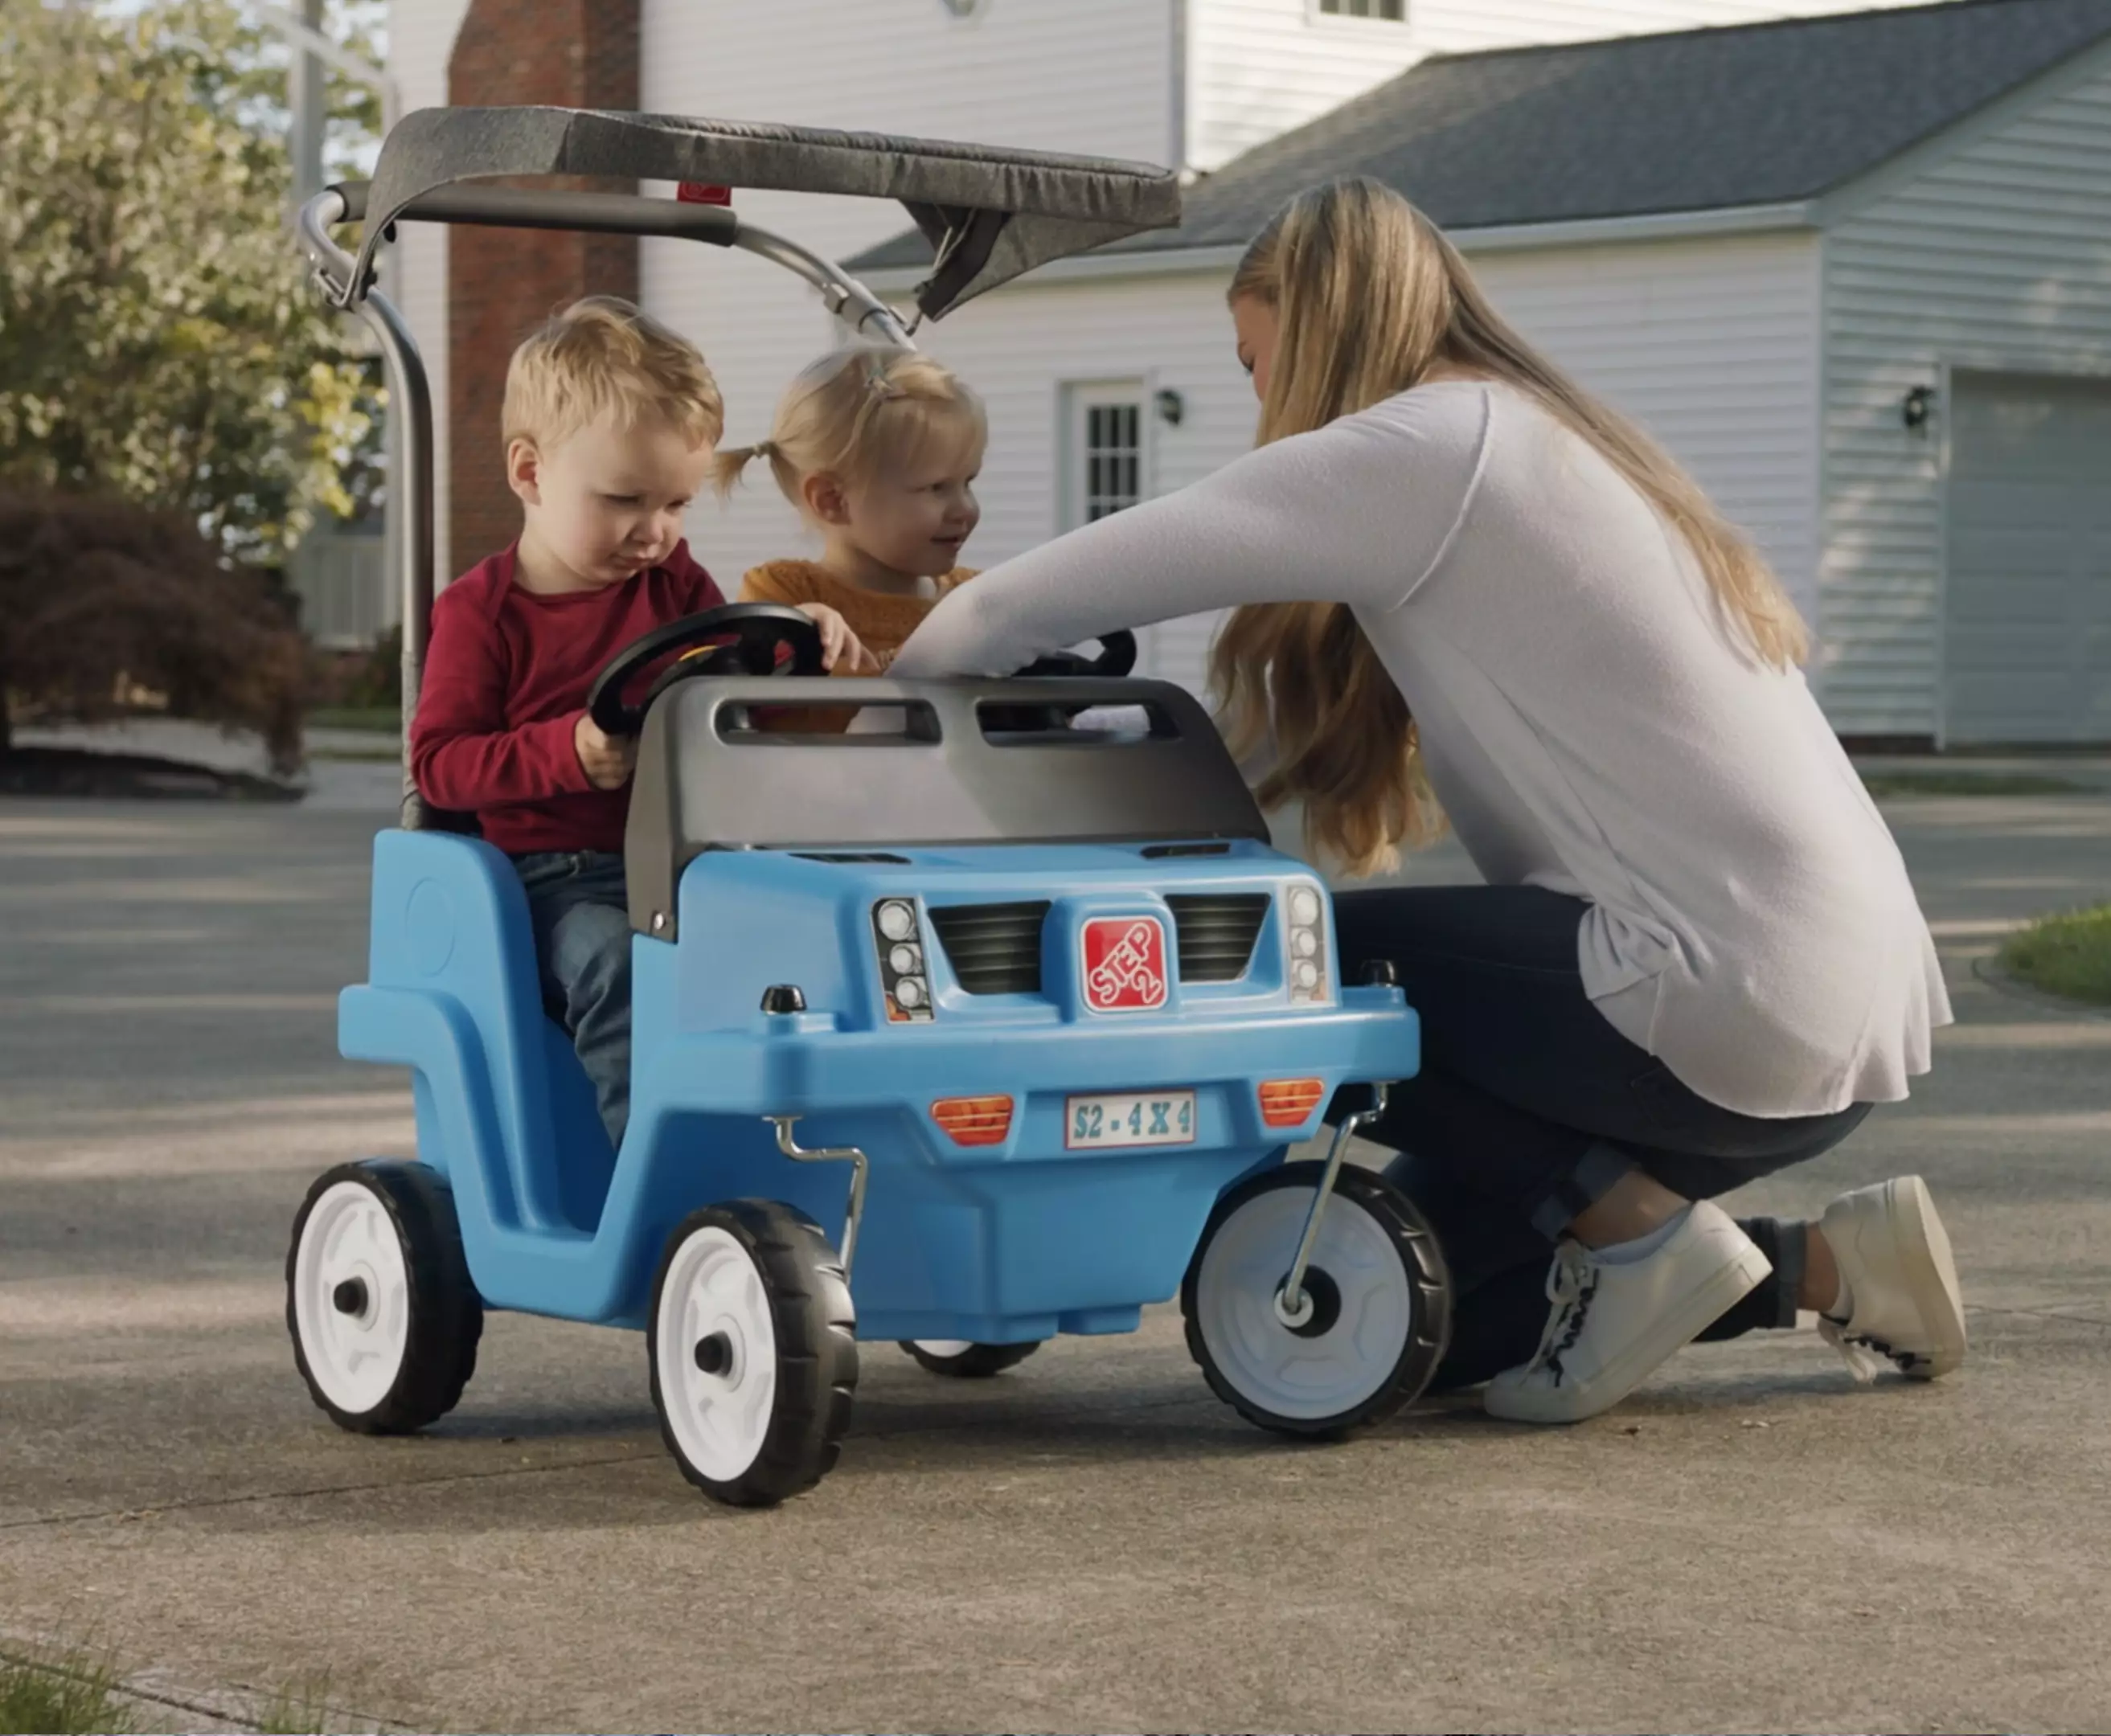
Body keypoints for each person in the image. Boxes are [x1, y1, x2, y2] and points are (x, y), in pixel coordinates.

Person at [888, 178, 1966, 1425]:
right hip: (1834, 1018)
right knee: (1421, 1313)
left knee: (1276, 970)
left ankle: (1631, 1231)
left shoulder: (1426, 446)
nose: (1257, 399)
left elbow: (1009, 608)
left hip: (1716, 1005)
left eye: (1253, 361)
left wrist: (874, 702)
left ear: (1320, 321)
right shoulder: (1548, 436)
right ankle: (1828, 1267)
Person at [410, 297, 868, 1152]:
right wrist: (567, 752)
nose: (655, 533)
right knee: (621, 969)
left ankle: (804, 1159)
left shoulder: (673, 583)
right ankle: (652, 1186)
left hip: (687, 861)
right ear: (529, 473)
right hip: (551, 883)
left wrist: (797, 635)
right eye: (625, 499)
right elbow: (441, 766)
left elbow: (725, 667)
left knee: (825, 938)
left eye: (678, 505)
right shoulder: (482, 614)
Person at [720, 344, 985, 715]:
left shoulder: (980, 598)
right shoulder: (785, 594)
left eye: (969, 482)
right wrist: (793, 633)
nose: (966, 509)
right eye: (937, 488)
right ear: (832, 500)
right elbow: (740, 702)